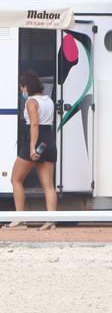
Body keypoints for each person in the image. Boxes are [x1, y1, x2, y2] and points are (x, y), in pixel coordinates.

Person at [7, 70, 58, 231]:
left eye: (22, 87)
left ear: (26, 86)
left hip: (35, 139)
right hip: (48, 140)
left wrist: (32, 148)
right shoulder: (48, 100)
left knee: (16, 179)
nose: (21, 90)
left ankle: (20, 220)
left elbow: (34, 124)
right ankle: (51, 221)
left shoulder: (31, 102)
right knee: (48, 185)